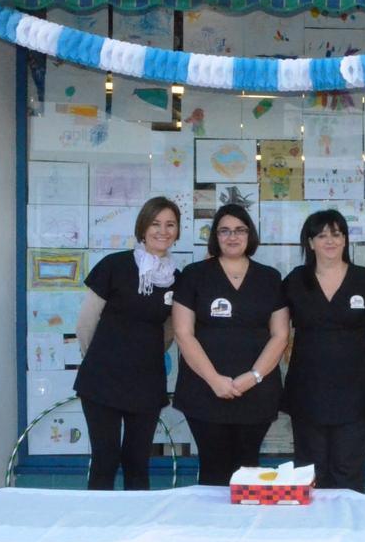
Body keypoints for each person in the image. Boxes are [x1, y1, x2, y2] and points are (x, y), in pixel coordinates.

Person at [172, 204, 290, 486]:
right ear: (215, 236)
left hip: (256, 392)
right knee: (213, 468)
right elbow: (183, 333)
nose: (232, 236)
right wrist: (214, 380)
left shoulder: (269, 277)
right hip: (204, 391)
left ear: (250, 235)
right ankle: (211, 530)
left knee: (248, 468)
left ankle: (246, 529)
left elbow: (280, 335)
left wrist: (254, 377)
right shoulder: (194, 274)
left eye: (240, 230)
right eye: (224, 231)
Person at [74, 196, 181, 491]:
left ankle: (136, 533)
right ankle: (99, 530)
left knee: (138, 462)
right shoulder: (115, 265)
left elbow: (170, 331)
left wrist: (142, 356)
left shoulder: (175, 279)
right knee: (104, 459)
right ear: (142, 228)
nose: (163, 231)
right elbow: (86, 323)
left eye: (170, 224)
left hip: (146, 381)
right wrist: (100, 357)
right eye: (155, 223)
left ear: (177, 231)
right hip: (102, 379)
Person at [282, 210, 365, 492]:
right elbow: (276, 331)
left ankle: (348, 533)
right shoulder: (295, 281)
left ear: (345, 240)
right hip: (308, 390)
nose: (330, 241)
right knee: (310, 473)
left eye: (336, 234)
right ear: (310, 243)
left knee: (348, 471)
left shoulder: (364, 279)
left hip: (354, 392)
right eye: (322, 235)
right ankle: (314, 535)